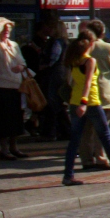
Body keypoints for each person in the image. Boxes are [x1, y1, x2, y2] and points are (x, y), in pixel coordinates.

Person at [60, 29, 110, 187]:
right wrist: (84, 102)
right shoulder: (89, 61)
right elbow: (88, 83)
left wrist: (78, 102)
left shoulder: (73, 60)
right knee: (105, 136)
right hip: (91, 103)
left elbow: (70, 81)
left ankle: (68, 175)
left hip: (74, 102)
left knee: (75, 140)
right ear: (91, 44)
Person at [78, 20, 110, 170]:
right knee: (102, 127)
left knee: (85, 129)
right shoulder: (107, 47)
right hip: (104, 91)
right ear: (102, 33)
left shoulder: (80, 47)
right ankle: (100, 157)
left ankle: (86, 159)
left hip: (82, 92)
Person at [0, 17, 28, 161]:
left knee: (16, 119)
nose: (7, 32)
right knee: (3, 120)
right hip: (1, 86)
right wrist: (0, 23)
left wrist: (20, 67)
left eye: (9, 29)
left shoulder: (14, 45)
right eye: (4, 30)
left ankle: (14, 147)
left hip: (15, 86)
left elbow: (23, 62)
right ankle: (4, 149)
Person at [34, 13, 72, 142]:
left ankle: (56, 130)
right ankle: (63, 130)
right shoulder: (65, 42)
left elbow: (53, 57)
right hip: (62, 72)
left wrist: (44, 65)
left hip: (54, 73)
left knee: (53, 102)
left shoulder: (56, 42)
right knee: (58, 102)